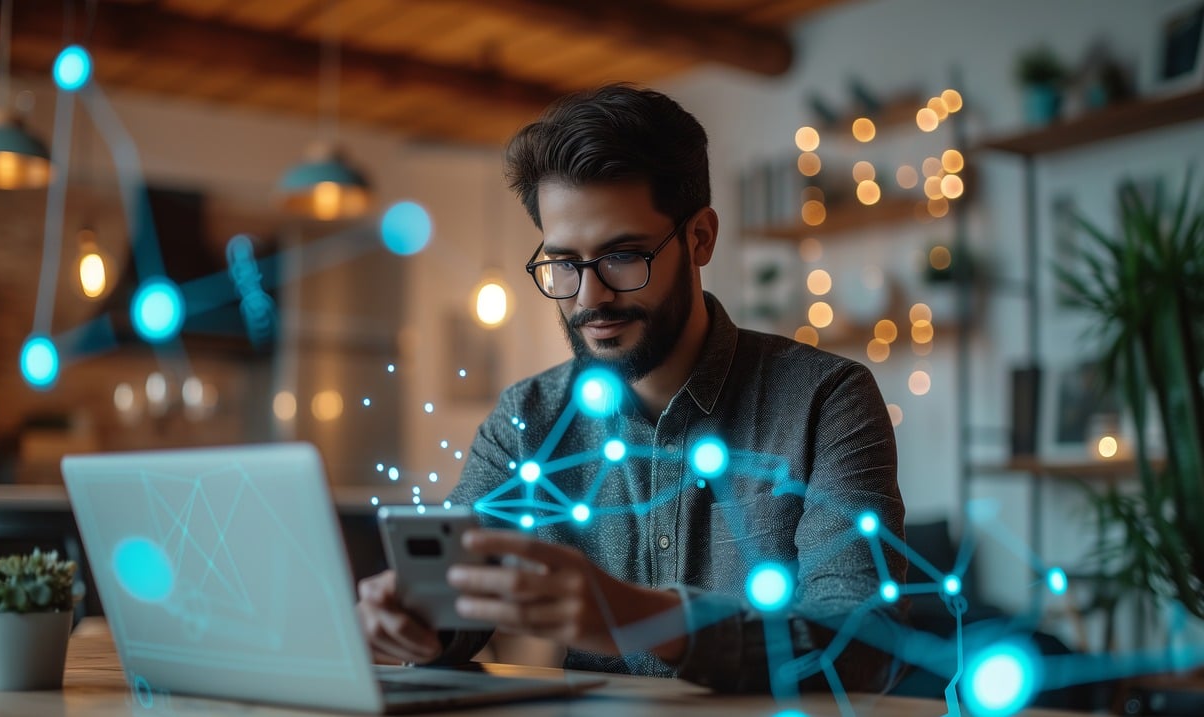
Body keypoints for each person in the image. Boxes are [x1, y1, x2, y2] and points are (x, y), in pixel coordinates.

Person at [357, 83, 907, 694]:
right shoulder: (527, 417)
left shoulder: (827, 400)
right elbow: (457, 605)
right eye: (564, 263)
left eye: (622, 256)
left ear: (700, 238)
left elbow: (865, 645)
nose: (589, 298)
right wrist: (411, 622)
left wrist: (636, 617)